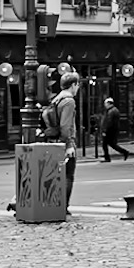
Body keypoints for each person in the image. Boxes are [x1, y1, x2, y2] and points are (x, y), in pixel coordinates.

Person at [48, 70, 81, 202]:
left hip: (55, 141)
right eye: (77, 85)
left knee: (57, 175)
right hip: (65, 143)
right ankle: (63, 205)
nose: (78, 88)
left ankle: (56, 202)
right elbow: (66, 126)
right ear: (73, 85)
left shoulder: (57, 99)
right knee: (68, 175)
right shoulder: (69, 101)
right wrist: (69, 145)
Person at [99, 96, 130, 162]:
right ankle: (124, 152)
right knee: (112, 144)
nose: (105, 105)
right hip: (113, 130)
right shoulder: (113, 110)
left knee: (105, 144)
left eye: (105, 104)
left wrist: (105, 130)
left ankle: (107, 158)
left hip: (110, 130)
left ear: (109, 103)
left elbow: (109, 122)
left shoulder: (111, 111)